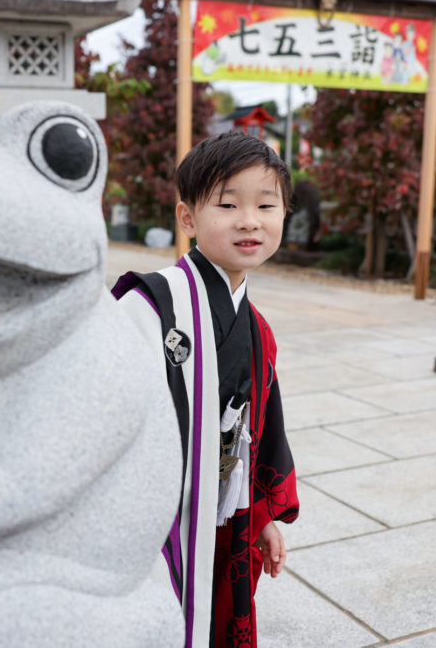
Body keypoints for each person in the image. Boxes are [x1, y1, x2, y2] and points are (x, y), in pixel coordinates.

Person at [112, 131, 299, 648]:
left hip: (224, 518)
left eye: (266, 204)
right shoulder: (149, 308)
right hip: (156, 527)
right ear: (188, 218)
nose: (249, 220)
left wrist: (261, 517)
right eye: (227, 204)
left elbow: (259, 435)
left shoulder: (257, 330)